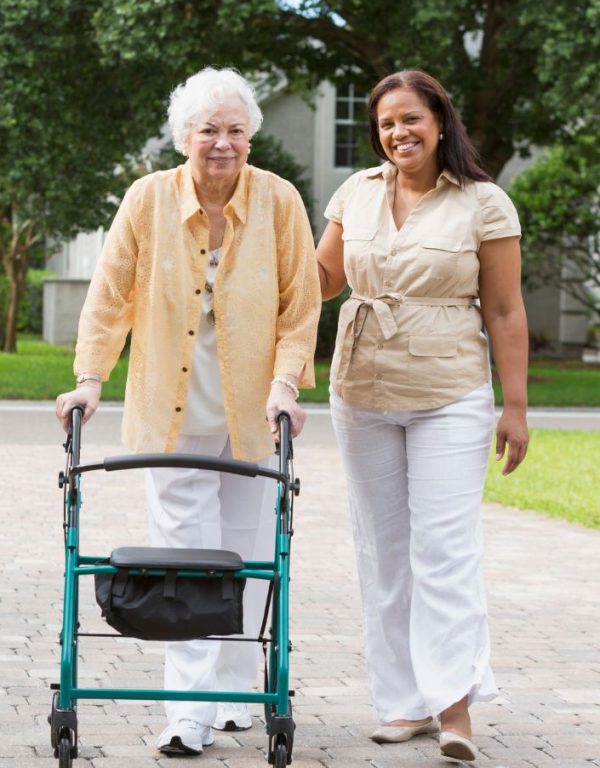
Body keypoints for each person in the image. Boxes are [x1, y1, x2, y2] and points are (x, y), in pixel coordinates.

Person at [56, 67, 321, 757]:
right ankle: (191, 713)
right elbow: (109, 297)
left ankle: (234, 694)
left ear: (250, 136)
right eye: (209, 130)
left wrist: (287, 385)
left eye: (236, 130)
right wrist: (90, 380)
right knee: (186, 566)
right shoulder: (147, 200)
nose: (223, 143)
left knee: (248, 559)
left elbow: (301, 306)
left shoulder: (279, 202)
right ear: (184, 137)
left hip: (252, 412)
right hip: (168, 416)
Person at [315, 70, 528, 762]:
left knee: (444, 553)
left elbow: (503, 310)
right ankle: (402, 704)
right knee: (383, 553)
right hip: (361, 391)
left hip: (450, 393)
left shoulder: (483, 203)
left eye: (410, 119)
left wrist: (517, 407)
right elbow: (319, 280)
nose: (398, 133)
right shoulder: (357, 194)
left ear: (439, 121)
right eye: (385, 124)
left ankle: (455, 708)